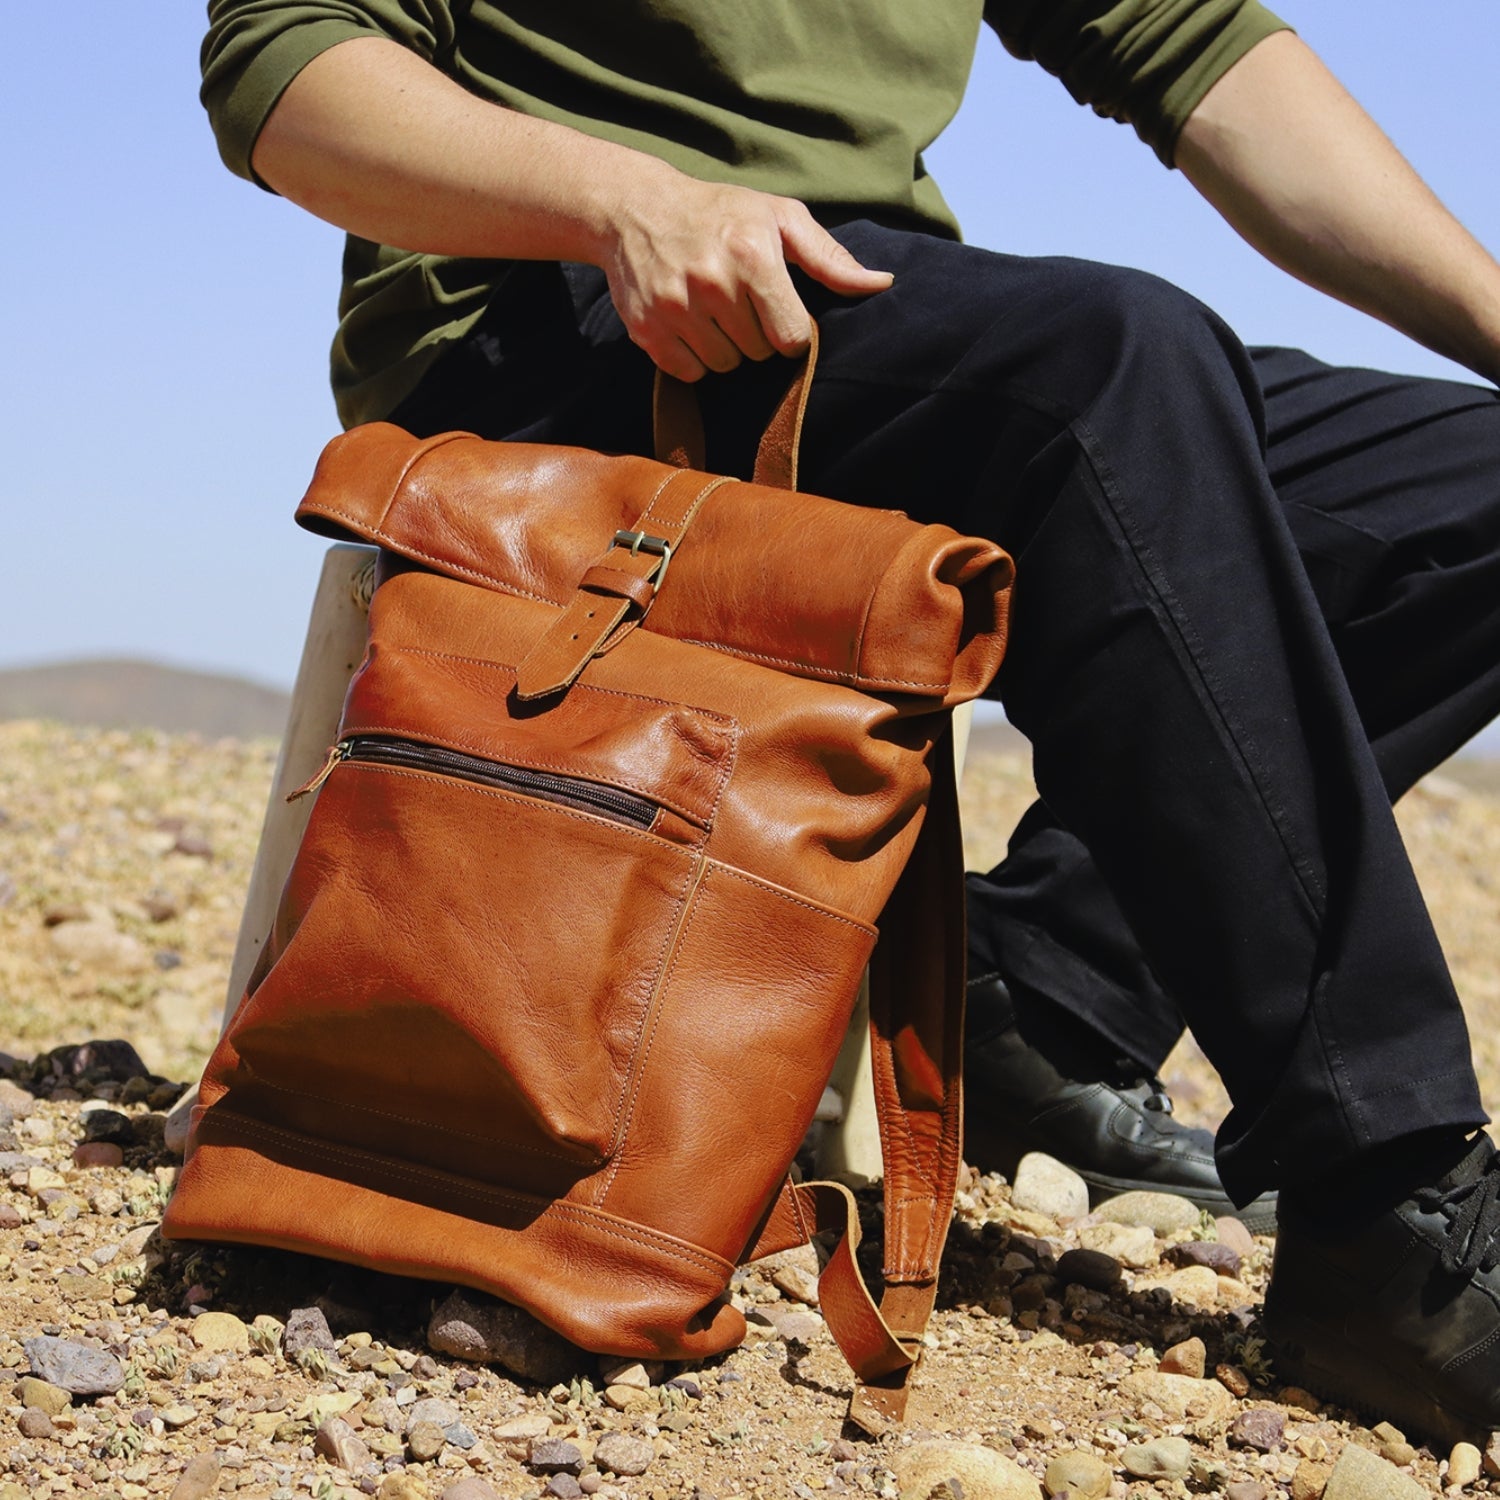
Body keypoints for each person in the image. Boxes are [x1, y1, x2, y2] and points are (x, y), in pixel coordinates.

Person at [200, 0, 1500, 1444]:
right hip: (549, 307)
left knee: (1460, 480)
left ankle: (1044, 1003)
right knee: (1117, 362)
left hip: (856, 299)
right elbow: (283, 72)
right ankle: (1390, 1210)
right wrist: (622, 200)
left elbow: (1197, 52)